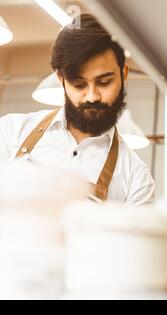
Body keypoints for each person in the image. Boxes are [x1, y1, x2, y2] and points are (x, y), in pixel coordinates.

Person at [0, 13, 155, 205]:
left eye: (104, 82)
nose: (92, 96)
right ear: (61, 81)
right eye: (79, 85)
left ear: (123, 74)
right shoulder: (9, 133)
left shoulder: (136, 180)